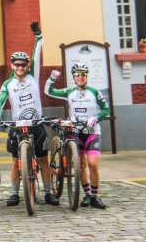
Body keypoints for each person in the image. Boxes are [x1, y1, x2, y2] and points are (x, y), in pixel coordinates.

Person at [0, 21, 58, 207]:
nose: (20, 67)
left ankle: (47, 192)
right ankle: (14, 193)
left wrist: (38, 36)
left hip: (36, 125)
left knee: (43, 160)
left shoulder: (33, 77)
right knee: (15, 162)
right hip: (17, 127)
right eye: (16, 64)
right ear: (12, 66)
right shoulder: (8, 84)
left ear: (27, 66)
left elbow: (36, 55)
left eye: (23, 64)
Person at [45, 63, 110, 209]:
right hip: (76, 132)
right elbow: (48, 91)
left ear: (86, 76)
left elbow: (106, 109)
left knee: (93, 164)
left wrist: (96, 118)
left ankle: (94, 195)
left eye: (83, 75)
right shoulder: (69, 91)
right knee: (80, 165)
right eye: (78, 75)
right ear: (74, 77)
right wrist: (51, 78)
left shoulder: (94, 92)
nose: (81, 77)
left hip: (92, 133)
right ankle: (87, 195)